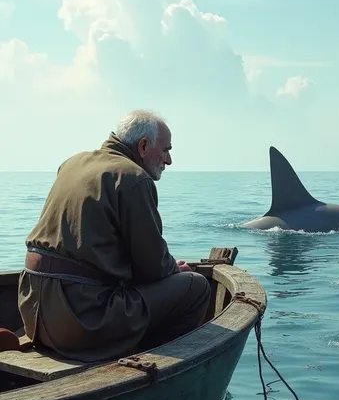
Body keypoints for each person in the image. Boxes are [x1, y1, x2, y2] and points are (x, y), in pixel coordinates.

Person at [18, 109, 211, 362]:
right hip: (81, 321)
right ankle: (153, 364)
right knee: (196, 287)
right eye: (166, 150)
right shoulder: (134, 179)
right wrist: (174, 269)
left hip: (32, 311)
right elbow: (153, 267)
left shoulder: (72, 163)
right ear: (143, 146)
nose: (169, 160)